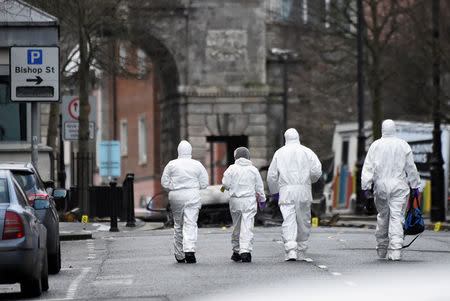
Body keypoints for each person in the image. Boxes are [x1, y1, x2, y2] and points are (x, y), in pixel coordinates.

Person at [361, 119, 420, 261]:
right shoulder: (403, 145)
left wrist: (366, 187)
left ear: (382, 130)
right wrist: (415, 185)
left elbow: (368, 167)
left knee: (382, 216)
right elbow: (410, 167)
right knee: (397, 217)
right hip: (399, 185)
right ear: (394, 129)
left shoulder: (375, 145)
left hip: (381, 185)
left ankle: (381, 248)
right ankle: (395, 250)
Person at [267, 128, 322, 261]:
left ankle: (291, 249)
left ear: (285, 138)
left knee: (289, 220)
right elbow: (317, 171)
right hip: (303, 190)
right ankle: (302, 249)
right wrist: (309, 180)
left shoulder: (279, 153)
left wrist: (275, 192)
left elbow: (272, 176)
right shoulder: (307, 151)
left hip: (286, 191)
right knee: (303, 220)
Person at [161, 140, 209, 264]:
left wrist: (174, 186)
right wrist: (193, 186)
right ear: (190, 151)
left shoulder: (171, 164)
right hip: (192, 195)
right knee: (191, 223)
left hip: (176, 195)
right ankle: (189, 250)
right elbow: (204, 183)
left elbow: (164, 182)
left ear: (178, 151)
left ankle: (179, 254)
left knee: (178, 224)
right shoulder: (197, 164)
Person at [222, 147, 266, 263]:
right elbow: (259, 187)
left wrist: (228, 187)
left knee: (236, 226)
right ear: (248, 156)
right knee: (247, 226)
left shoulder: (231, 169)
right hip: (249, 201)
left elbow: (225, 185)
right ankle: (245, 251)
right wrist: (262, 200)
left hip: (235, 201)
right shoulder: (253, 170)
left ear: (235, 156)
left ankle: (236, 251)